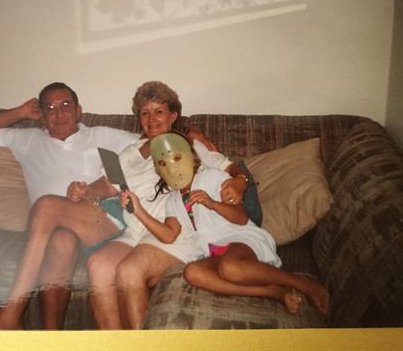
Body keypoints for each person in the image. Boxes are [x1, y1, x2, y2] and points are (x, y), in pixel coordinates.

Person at [84, 81, 251, 329]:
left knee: (130, 271)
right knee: (97, 265)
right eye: (145, 113)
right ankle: (115, 342)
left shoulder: (190, 145)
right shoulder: (130, 151)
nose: (151, 119)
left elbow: (232, 168)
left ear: (173, 116)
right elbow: (108, 184)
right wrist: (84, 191)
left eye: (159, 111)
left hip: (173, 231)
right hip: (135, 229)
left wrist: (240, 181)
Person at [0, 82, 141, 329]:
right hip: (52, 230)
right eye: (50, 108)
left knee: (46, 205)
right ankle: (52, 336)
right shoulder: (28, 139)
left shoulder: (101, 135)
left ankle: (9, 316)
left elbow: (152, 143)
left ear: (78, 110)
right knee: (61, 242)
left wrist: (194, 138)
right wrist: (21, 112)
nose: (59, 113)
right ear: (42, 114)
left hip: (100, 221)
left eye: (65, 105)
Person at [124, 131, 330, 315]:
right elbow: (169, 235)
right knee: (192, 272)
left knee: (229, 268)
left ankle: (300, 282)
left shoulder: (213, 176)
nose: (172, 166)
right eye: (163, 163)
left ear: (192, 158)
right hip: (212, 251)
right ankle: (272, 292)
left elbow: (241, 218)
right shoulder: (173, 200)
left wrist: (213, 204)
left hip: (239, 238)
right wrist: (139, 211)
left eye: (177, 158)